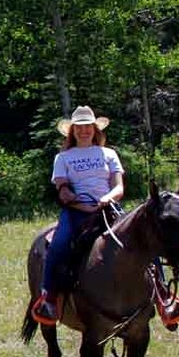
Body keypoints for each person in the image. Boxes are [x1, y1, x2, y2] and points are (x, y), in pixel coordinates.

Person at [32, 106, 127, 326]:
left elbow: (119, 187)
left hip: (108, 210)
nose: (84, 131)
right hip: (76, 212)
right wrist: (73, 199)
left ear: (95, 129)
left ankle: (164, 298)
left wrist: (109, 198)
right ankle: (48, 297)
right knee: (58, 245)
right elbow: (62, 188)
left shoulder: (109, 154)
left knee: (143, 238)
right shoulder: (63, 158)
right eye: (79, 127)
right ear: (72, 131)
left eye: (88, 127)